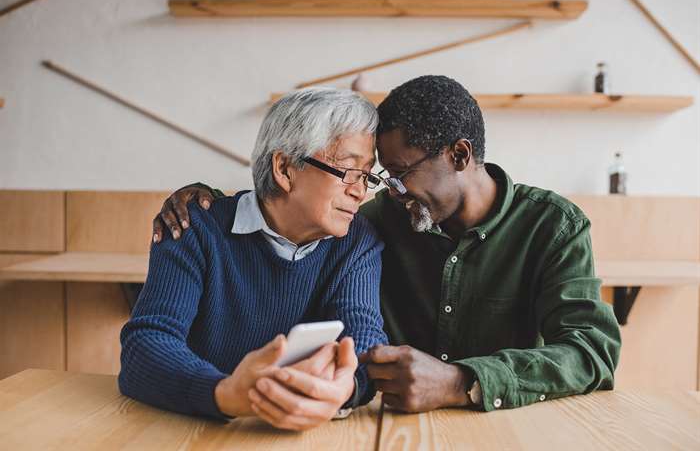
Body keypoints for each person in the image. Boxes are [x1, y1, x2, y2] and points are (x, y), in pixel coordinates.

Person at [152, 75, 621, 418]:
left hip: (506, 427)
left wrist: (464, 381)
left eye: (395, 175)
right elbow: (152, 340)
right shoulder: (375, 220)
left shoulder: (552, 226)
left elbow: (592, 352)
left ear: (460, 156)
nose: (379, 191)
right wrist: (200, 201)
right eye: (377, 176)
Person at [119, 87, 388, 431]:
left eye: (366, 175)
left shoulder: (356, 241)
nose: (360, 191)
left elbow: (365, 340)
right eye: (348, 171)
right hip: (192, 429)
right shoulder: (195, 227)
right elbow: (146, 345)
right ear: (285, 168)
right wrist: (226, 393)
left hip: (302, 433)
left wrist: (344, 389)